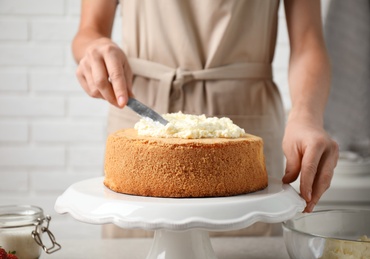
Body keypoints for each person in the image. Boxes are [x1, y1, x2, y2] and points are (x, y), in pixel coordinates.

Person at [72, 0, 339, 237]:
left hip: (244, 117)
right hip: (141, 115)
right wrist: (95, 47)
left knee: (247, 247)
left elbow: (308, 41)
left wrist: (306, 115)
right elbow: (89, 30)